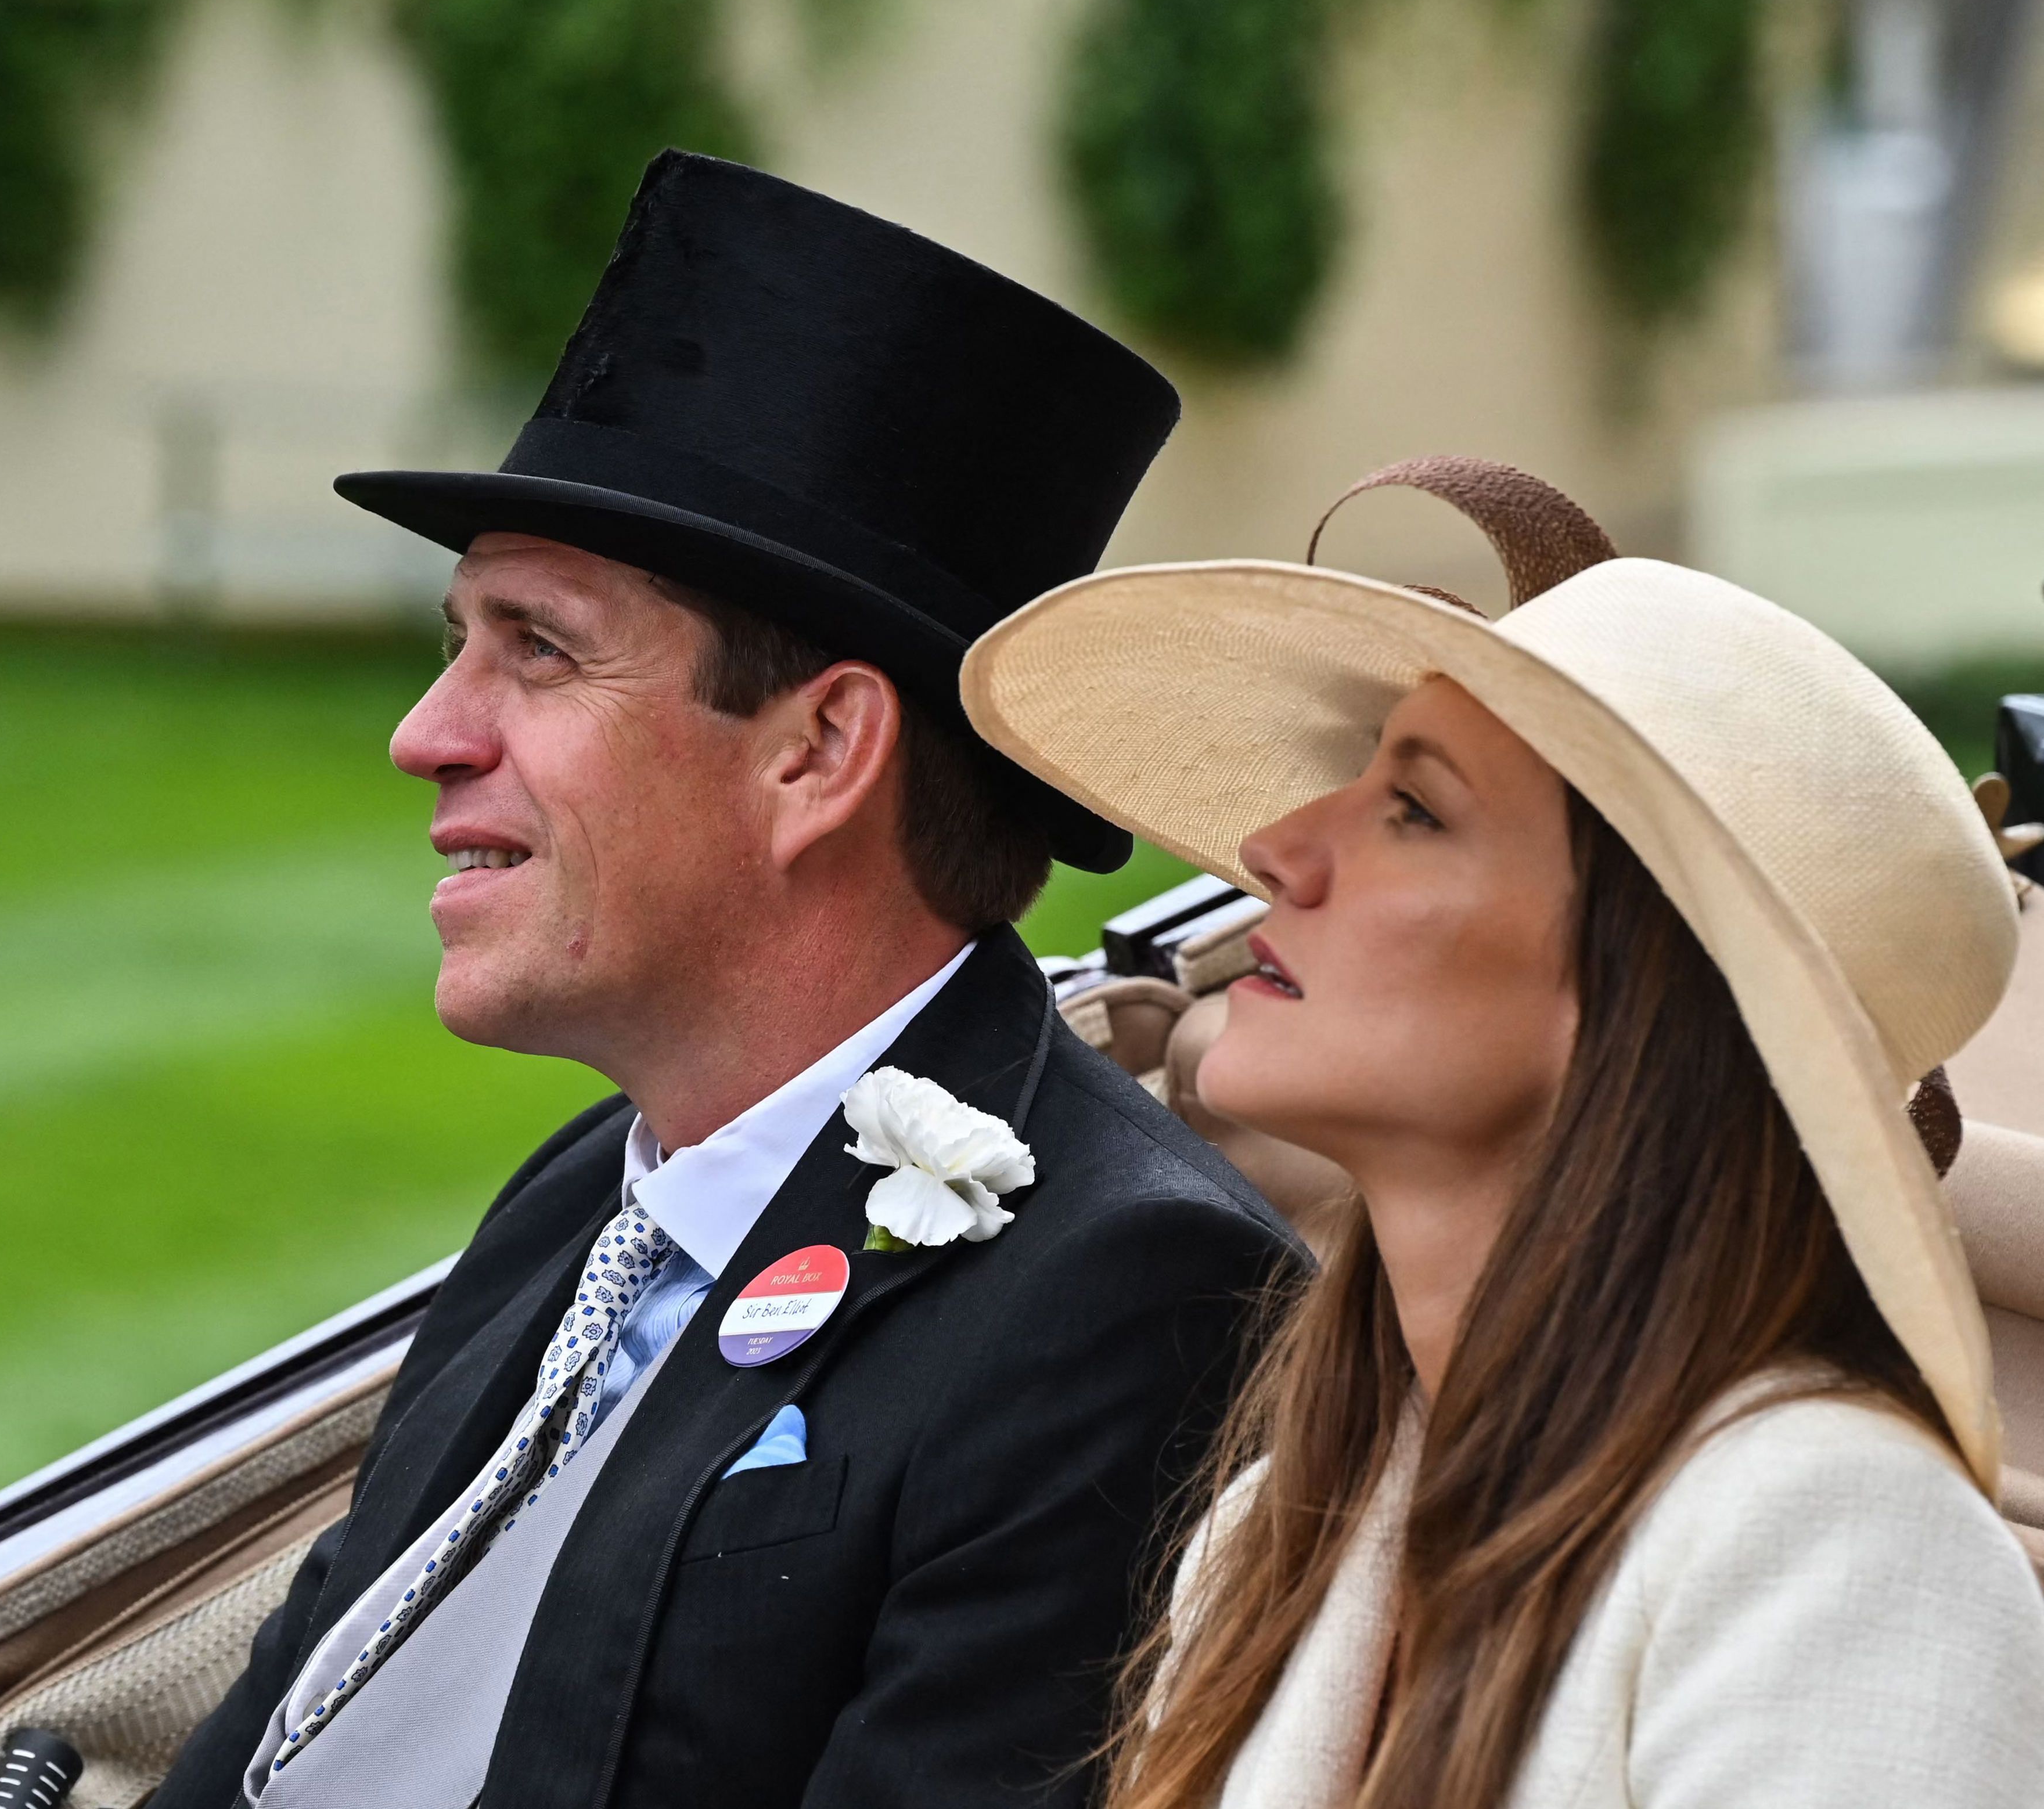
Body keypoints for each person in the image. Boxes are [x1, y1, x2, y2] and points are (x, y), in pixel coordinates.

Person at [143, 152, 1301, 1809]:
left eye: (534, 647)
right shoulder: (582, 1200)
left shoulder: (1123, 1295)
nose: (426, 731)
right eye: (457, 638)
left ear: (819, 749)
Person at [960, 458, 2044, 1809]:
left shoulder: (1839, 1543)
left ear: (1627, 998)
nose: (1276, 847)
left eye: (1412, 808)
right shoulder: (1279, 1526)